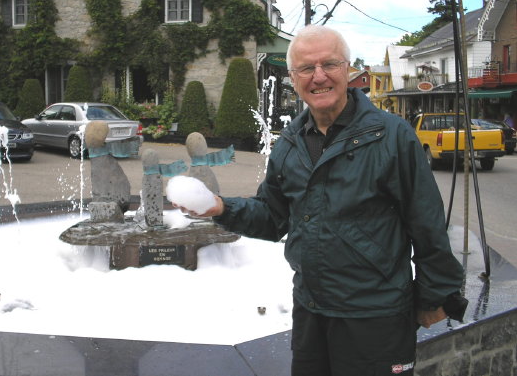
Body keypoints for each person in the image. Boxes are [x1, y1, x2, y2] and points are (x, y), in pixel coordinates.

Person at [180, 25, 467, 376]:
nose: (319, 77)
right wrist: (222, 208)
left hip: (374, 315)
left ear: (347, 69)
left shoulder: (392, 136)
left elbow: (427, 223)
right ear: (293, 77)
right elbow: (273, 216)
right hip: (311, 312)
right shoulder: (290, 143)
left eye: (329, 64)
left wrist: (435, 296)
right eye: (306, 68)